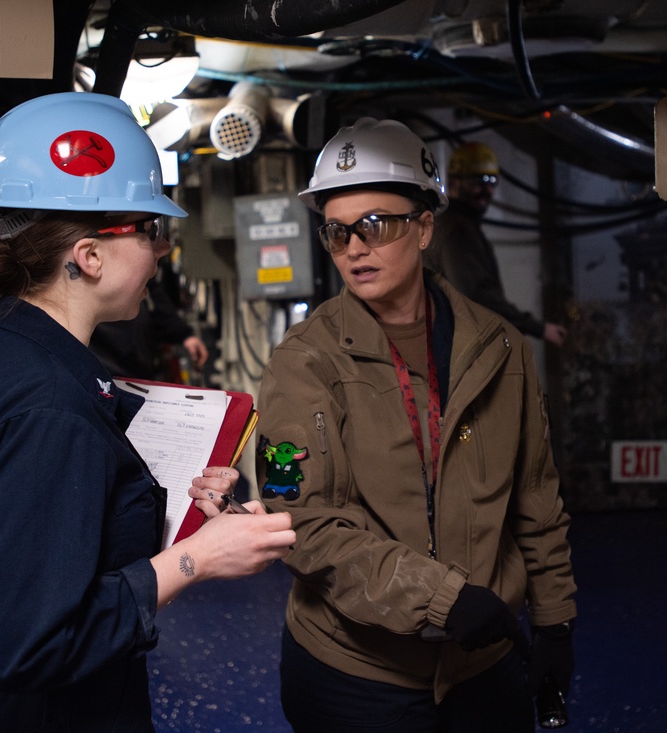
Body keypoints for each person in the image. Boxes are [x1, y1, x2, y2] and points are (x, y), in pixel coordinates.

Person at [0, 92, 295, 733]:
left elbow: (33, 538)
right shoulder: (50, 409)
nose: (162, 251)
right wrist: (197, 560)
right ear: (88, 255)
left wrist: (176, 515)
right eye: (150, 231)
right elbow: (30, 645)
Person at [254, 118, 577, 732]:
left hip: (484, 666)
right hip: (357, 675)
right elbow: (300, 518)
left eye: (375, 225)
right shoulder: (304, 362)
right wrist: (443, 599)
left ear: (424, 226)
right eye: (337, 231)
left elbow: (536, 497)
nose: (354, 247)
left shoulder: (500, 349)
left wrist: (556, 621)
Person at [425, 141, 567, 347]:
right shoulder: (457, 230)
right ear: (455, 182)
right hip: (456, 347)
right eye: (478, 181)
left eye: (492, 181)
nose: (487, 189)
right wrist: (537, 328)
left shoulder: (459, 225)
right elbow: (476, 296)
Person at [89, 273, 209, 382]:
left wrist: (184, 335)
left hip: (139, 370)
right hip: (105, 371)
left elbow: (154, 297)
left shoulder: (142, 278)